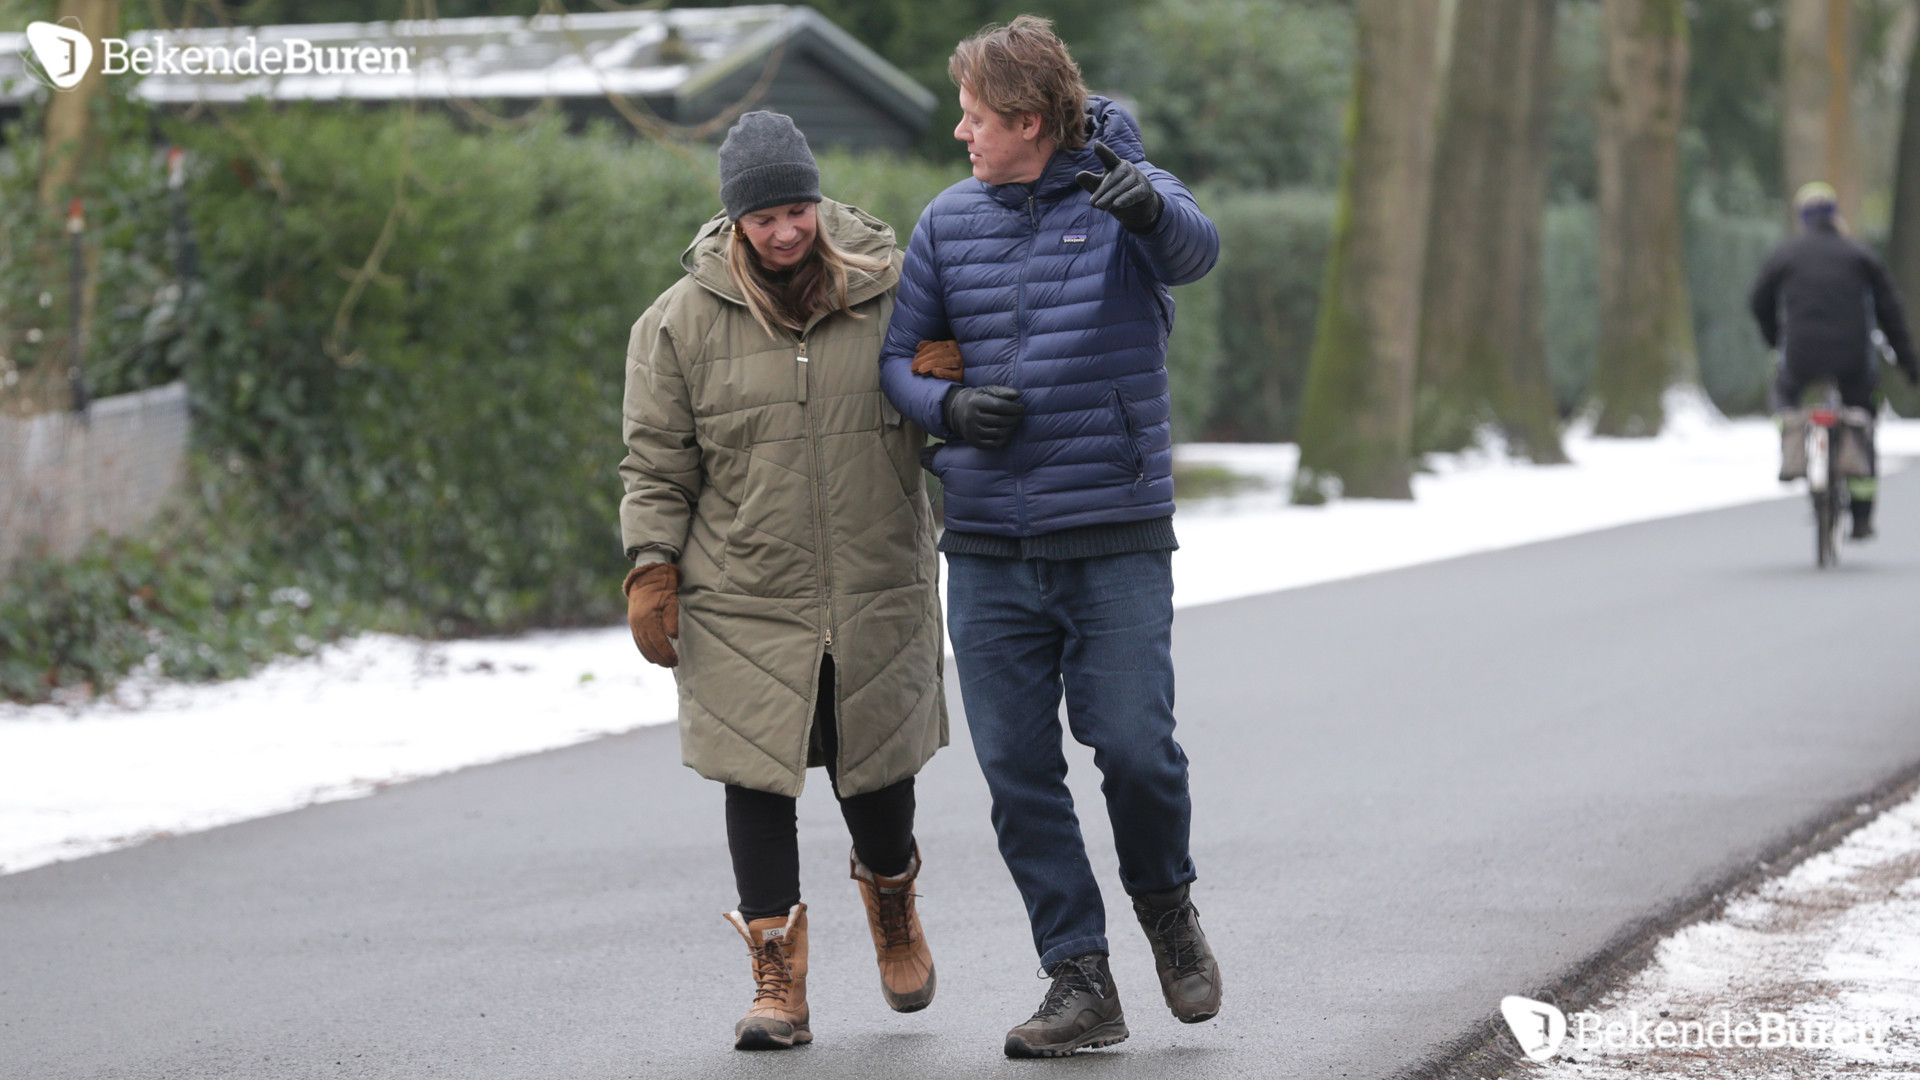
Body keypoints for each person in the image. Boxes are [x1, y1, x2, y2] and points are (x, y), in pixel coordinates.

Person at [877, 16, 1222, 1058]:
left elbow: (1195, 251)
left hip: (1112, 536)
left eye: (975, 116)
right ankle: (1079, 978)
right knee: (1020, 776)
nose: (960, 132)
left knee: (1134, 751)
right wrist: (949, 413)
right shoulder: (946, 221)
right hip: (986, 548)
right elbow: (898, 362)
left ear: (1027, 122)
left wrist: (1149, 205)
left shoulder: (1127, 191)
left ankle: (1167, 910)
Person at [618, 111, 947, 1051]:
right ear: (734, 222)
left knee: (877, 770)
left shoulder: (892, 292)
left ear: (818, 201)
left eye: (798, 208)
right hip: (742, 588)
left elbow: (946, 403)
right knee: (753, 778)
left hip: (876, 578)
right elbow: (655, 462)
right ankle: (777, 982)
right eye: (764, 218)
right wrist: (652, 564)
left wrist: (946, 382)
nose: (786, 231)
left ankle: (892, 905)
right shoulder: (675, 325)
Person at [1749, 181, 1920, 540]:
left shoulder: (1785, 255)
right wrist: (1909, 364)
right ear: (1835, 215)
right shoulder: (1859, 255)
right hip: (1853, 357)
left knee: (1784, 396)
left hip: (1799, 354)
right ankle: (1861, 516)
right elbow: (1890, 311)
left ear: (1803, 218)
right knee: (1863, 417)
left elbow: (1758, 300)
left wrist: (1775, 340)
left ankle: (1792, 438)